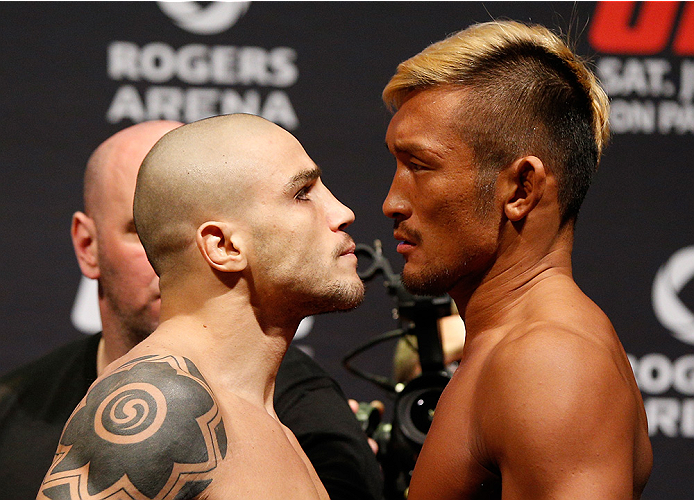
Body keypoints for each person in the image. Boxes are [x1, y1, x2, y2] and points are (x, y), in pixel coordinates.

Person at [0, 119, 382, 500]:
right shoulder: (162, 401)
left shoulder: (260, 414)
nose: (342, 212)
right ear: (223, 246)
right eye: (302, 193)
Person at [381, 20, 652, 499]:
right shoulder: (510, 348)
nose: (393, 202)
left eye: (419, 166)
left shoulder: (547, 362)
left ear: (521, 189)